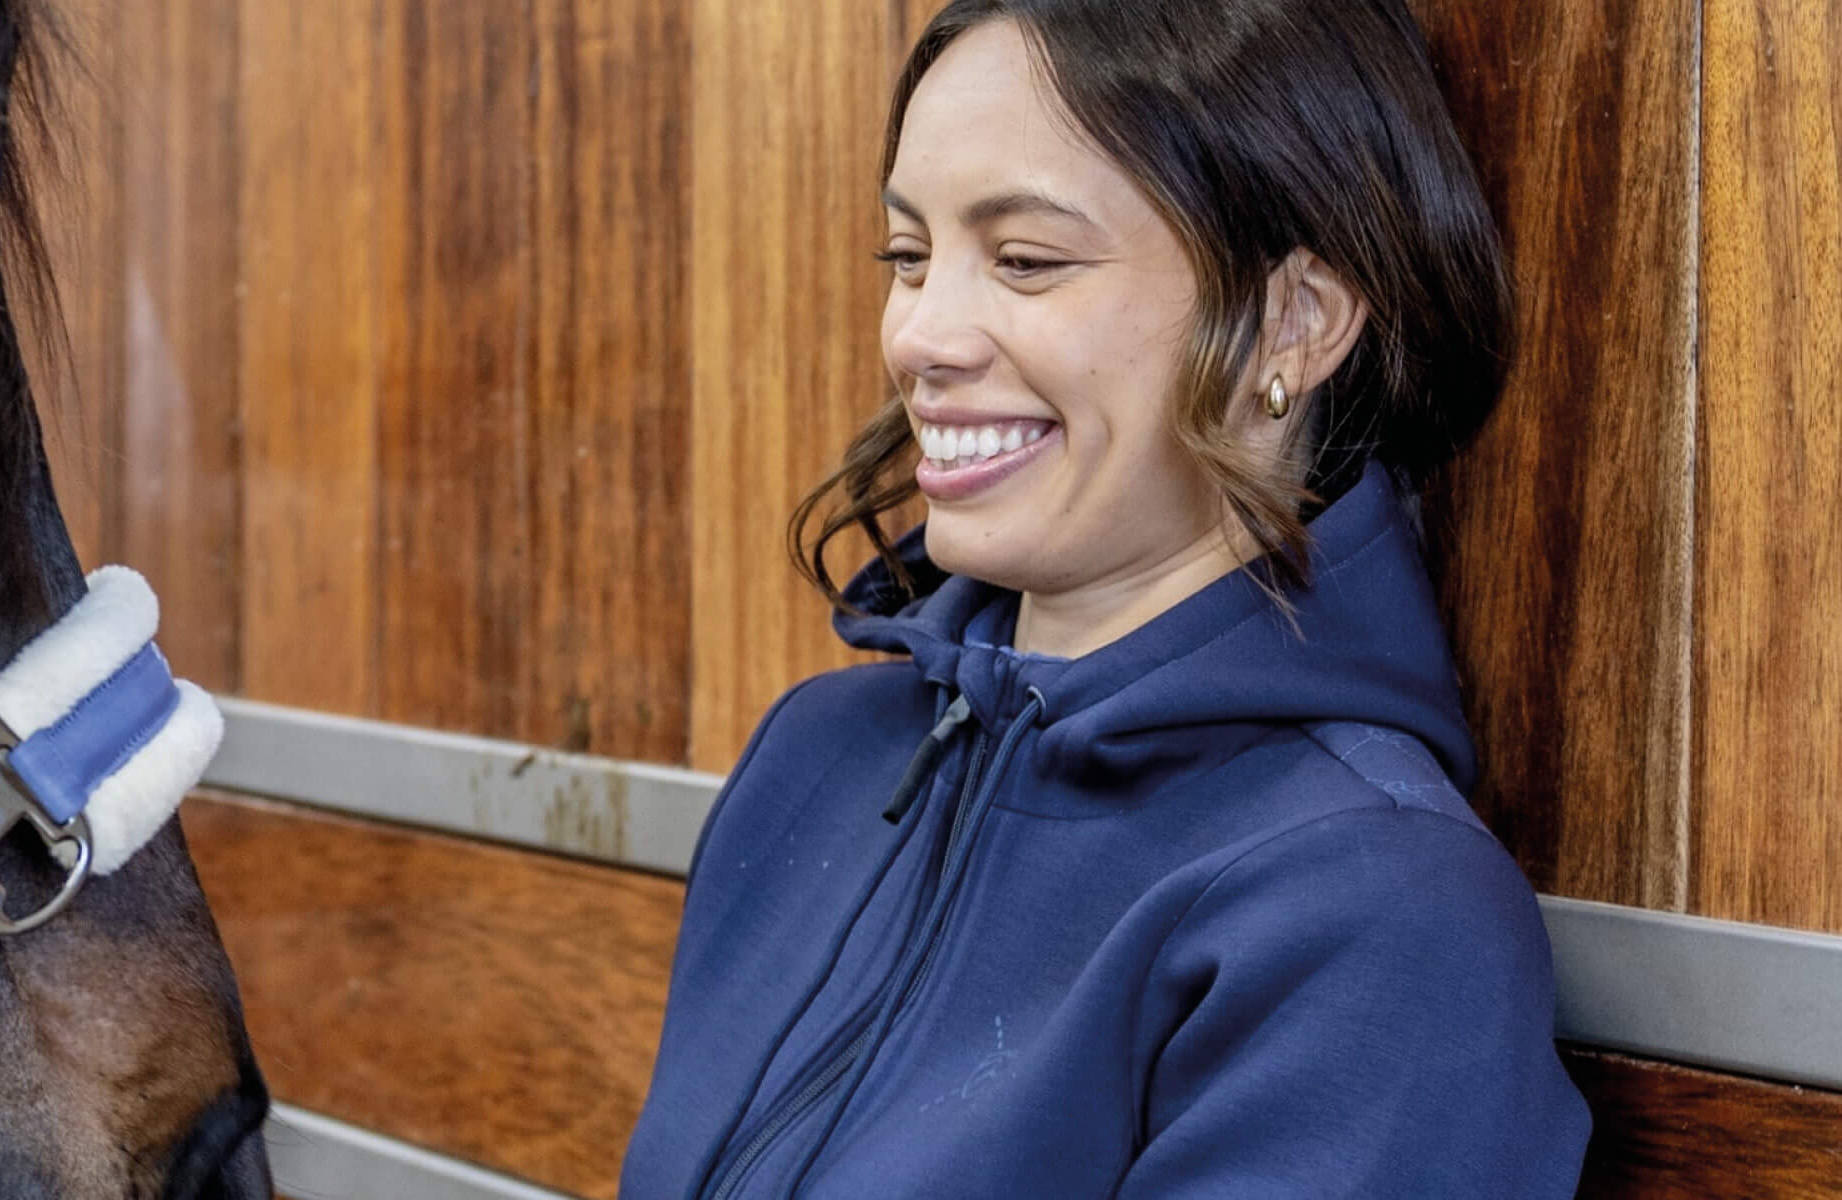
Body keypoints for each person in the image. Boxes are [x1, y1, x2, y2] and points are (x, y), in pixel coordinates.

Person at [618, 0, 1592, 1195]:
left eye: (1025, 260)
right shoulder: (813, 765)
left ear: (1291, 322)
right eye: (908, 257)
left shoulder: (1373, 911)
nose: (919, 334)